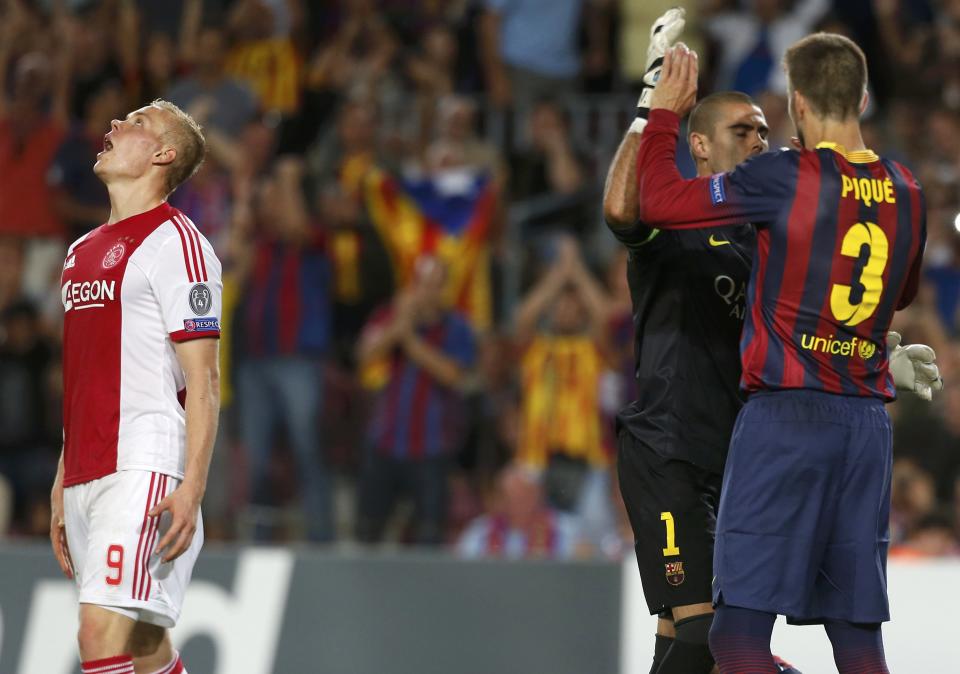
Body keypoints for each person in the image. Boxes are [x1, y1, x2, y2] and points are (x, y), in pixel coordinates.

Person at [608, 11, 941, 674]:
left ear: (797, 103)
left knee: (705, 644)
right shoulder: (905, 188)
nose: (760, 141)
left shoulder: (774, 200)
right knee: (808, 638)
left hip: (766, 434)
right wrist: (652, 109)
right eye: (742, 131)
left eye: (766, 128)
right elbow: (631, 208)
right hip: (692, 451)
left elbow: (819, 301)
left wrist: (876, 349)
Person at [50, 99, 219, 674]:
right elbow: (87, 376)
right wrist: (60, 481)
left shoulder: (181, 245)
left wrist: (192, 484)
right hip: (86, 470)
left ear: (163, 154)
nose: (115, 125)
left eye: (138, 122)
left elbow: (204, 378)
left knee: (98, 632)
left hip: (145, 462)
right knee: (144, 648)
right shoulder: (79, 253)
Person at [356, 255, 477, 545]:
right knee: (369, 531)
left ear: (443, 289)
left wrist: (409, 340)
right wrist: (399, 327)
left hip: (431, 446)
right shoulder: (389, 316)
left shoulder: (456, 327)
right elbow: (364, 356)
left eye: (434, 286)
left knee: (429, 533)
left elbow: (451, 374)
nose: (426, 293)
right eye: (421, 285)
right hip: (386, 440)